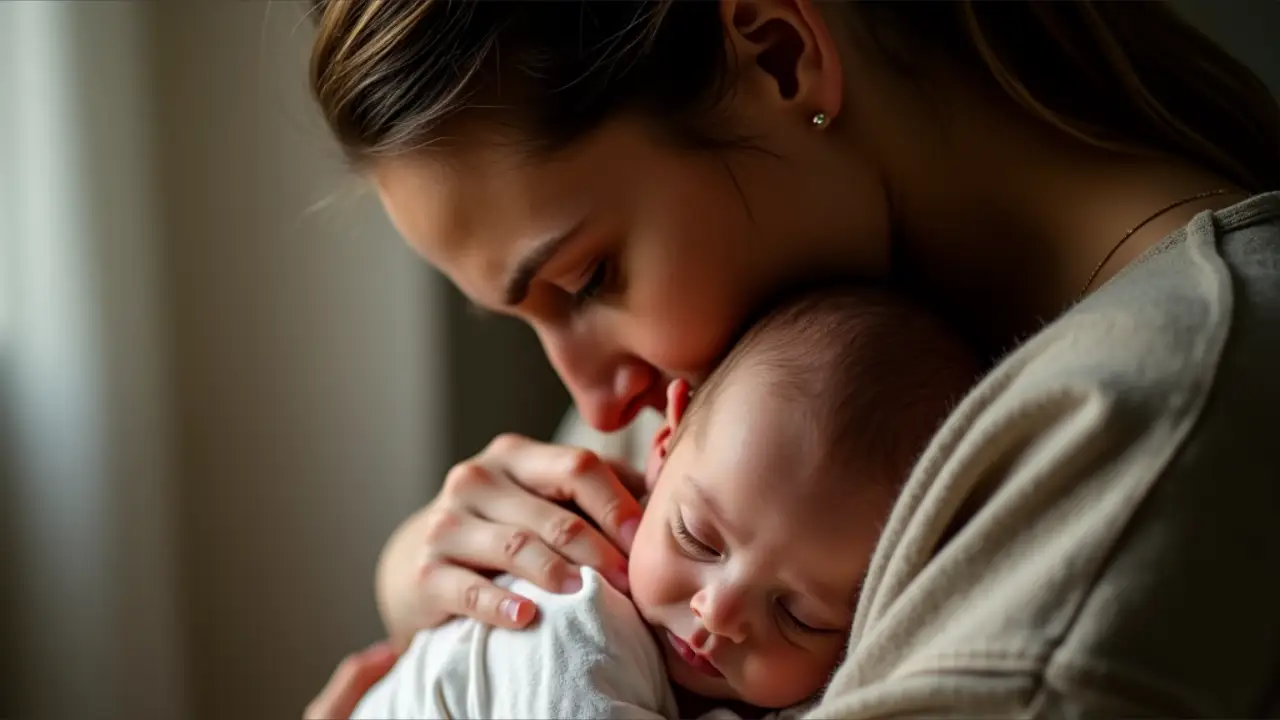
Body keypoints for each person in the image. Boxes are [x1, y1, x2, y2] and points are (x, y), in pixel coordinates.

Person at [302, 0, 1280, 717]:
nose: (599, 406)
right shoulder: (758, 345)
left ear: (776, 54)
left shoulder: (1145, 427)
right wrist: (428, 590)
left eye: (591, 277)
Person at [347, 289, 978, 720]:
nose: (719, 610)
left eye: (801, 617)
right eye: (698, 539)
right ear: (665, 446)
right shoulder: (576, 621)